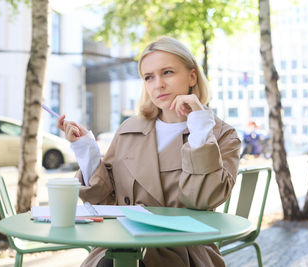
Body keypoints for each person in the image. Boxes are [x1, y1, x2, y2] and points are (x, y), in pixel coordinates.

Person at [58, 36, 241, 267]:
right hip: (121, 245)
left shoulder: (222, 134)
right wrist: (86, 149)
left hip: (185, 251)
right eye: (148, 77)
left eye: (167, 72)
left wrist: (199, 124)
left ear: (192, 76)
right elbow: (105, 201)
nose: (158, 84)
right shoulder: (129, 129)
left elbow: (202, 199)